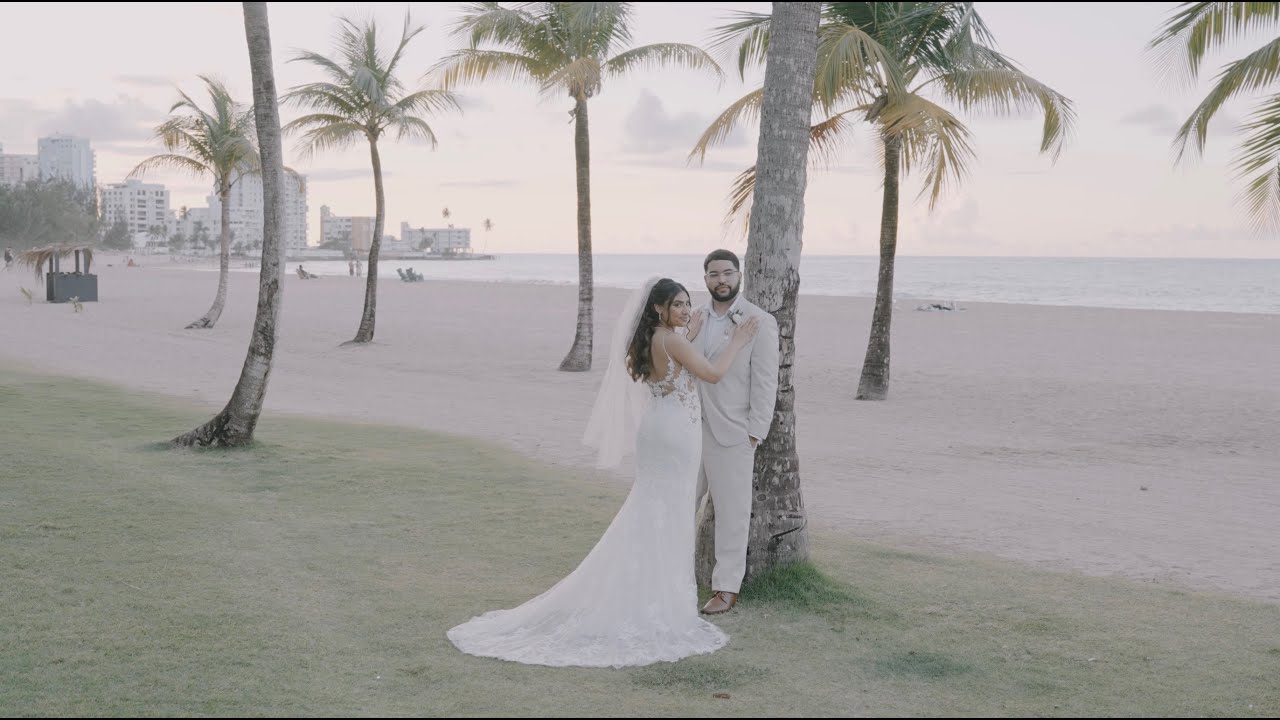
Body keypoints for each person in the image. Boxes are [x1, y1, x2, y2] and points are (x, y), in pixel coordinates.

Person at [447, 277, 759, 668]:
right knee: (670, 513)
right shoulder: (673, 340)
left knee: (653, 510)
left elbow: (674, 369)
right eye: (678, 305)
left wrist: (688, 334)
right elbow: (711, 374)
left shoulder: (650, 339)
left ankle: (644, 590)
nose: (685, 310)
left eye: (687, 304)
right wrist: (737, 342)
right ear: (659, 308)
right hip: (677, 434)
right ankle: (656, 600)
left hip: (658, 428)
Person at [687, 249, 780, 615]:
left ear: (739, 276)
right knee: (680, 505)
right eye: (713, 274)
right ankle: (672, 575)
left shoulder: (759, 321)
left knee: (732, 514)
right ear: (705, 279)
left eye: (727, 273)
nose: (721, 280)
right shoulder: (693, 318)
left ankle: (726, 588)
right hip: (691, 430)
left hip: (734, 434)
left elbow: (765, 382)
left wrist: (754, 433)